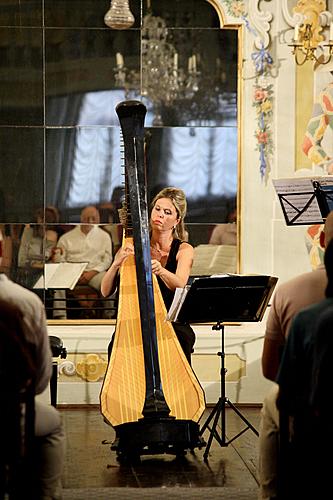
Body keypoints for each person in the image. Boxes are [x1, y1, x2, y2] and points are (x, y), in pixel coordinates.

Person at [258, 210, 333, 499]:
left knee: (271, 402)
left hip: (312, 412)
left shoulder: (290, 293)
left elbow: (269, 369)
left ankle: (271, 491)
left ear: (323, 240)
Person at [0, 230, 65, 499]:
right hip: (8, 414)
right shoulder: (25, 301)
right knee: (52, 422)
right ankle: (45, 495)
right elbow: (38, 381)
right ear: (2, 251)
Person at [101, 187, 196, 364]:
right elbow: (105, 291)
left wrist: (160, 270)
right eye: (157, 209)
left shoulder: (184, 250)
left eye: (167, 212)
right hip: (137, 322)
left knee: (180, 341)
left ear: (177, 220)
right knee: (116, 346)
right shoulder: (131, 244)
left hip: (171, 323)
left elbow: (180, 284)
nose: (160, 215)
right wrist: (116, 263)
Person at [275, 238, 333, 498]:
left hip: (317, 434)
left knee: (274, 409)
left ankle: (268, 490)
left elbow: (284, 390)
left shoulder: (311, 318)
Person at [53, 205, 113, 319]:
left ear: (98, 219)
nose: (90, 221)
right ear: (81, 218)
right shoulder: (66, 237)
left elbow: (108, 259)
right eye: (87, 218)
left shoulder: (104, 236)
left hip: (95, 272)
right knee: (57, 281)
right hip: (71, 272)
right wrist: (72, 271)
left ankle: (109, 316)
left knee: (110, 282)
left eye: (93, 218)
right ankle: (60, 317)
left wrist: (93, 272)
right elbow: (59, 259)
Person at [302, 59, 333, 173]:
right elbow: (308, 145)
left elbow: (308, 145)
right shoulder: (327, 95)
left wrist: (328, 165)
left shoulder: (327, 94)